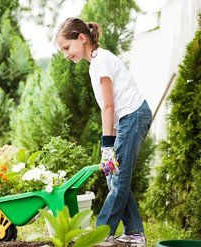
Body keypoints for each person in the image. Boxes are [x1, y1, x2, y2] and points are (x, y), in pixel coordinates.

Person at [54, 17, 152, 245]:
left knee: (118, 180)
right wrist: (111, 143)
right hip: (127, 119)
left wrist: (107, 145)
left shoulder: (102, 61)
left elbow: (109, 106)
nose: (66, 55)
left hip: (134, 116)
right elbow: (109, 108)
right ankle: (135, 233)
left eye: (67, 47)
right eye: (62, 51)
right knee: (115, 177)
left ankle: (99, 234)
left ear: (81, 38)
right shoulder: (95, 64)